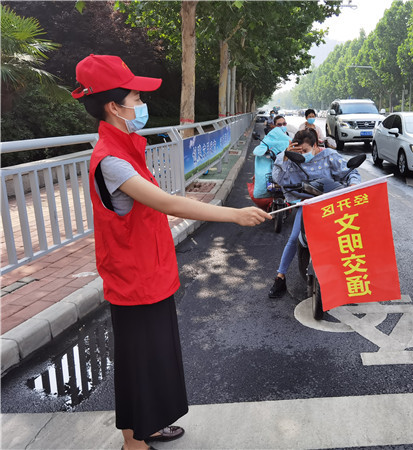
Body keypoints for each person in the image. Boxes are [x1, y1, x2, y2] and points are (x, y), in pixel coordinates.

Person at [72, 54, 271, 450]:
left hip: (150, 271)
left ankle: (152, 423)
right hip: (133, 278)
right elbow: (168, 204)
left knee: (156, 354)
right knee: (138, 362)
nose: (140, 105)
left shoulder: (127, 147)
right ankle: (133, 440)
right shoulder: (111, 160)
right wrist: (233, 214)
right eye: (135, 97)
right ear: (114, 106)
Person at [268, 129, 361, 298]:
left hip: (331, 204)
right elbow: (279, 179)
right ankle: (280, 277)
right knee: (295, 236)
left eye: (305, 150)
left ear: (316, 145)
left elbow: (351, 172)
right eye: (300, 151)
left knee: (349, 236)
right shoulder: (293, 159)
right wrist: (286, 157)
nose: (303, 155)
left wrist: (353, 185)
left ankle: (351, 276)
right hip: (308, 204)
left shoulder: (330, 156)